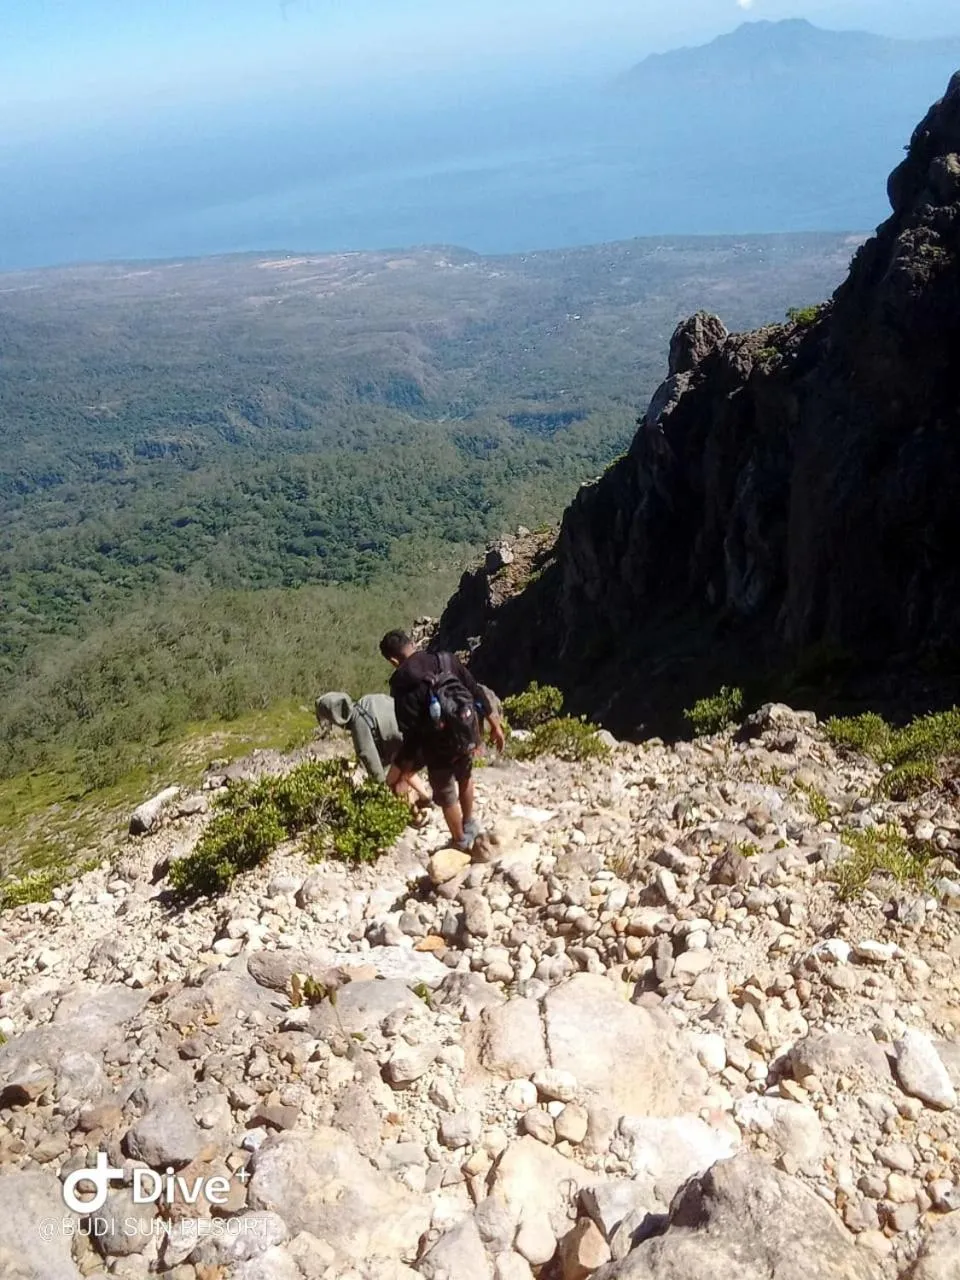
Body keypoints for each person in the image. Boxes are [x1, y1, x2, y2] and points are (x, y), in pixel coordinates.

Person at [379, 630, 506, 851]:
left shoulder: (403, 684)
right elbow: (475, 691)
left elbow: (411, 735)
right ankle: (469, 823)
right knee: (465, 777)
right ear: (412, 644)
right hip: (465, 732)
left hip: (436, 746)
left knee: (446, 795)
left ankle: (460, 842)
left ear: (392, 660)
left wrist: (404, 772)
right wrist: (495, 725)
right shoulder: (445, 660)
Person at [314, 691, 432, 814]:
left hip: (408, 742)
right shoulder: (366, 701)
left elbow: (371, 761)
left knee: (394, 781)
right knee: (402, 767)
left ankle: (415, 816)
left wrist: (381, 790)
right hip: (419, 730)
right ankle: (425, 797)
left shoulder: (359, 725)